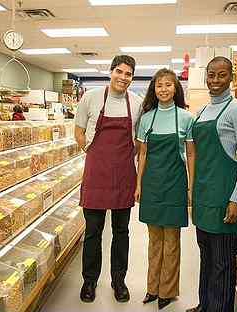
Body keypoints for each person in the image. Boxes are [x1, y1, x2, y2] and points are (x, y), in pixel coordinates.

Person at [186, 57, 237, 312]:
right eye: (211, 75)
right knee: (206, 256)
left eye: (222, 75)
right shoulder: (202, 111)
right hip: (205, 194)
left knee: (223, 262)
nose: (215, 81)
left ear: (231, 77)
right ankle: (205, 305)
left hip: (225, 195)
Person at [74, 55, 143, 303]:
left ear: (132, 78)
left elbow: (138, 141)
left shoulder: (136, 103)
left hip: (123, 175)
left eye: (128, 74)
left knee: (121, 231)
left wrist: (124, 159)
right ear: (111, 71)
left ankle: (119, 280)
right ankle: (89, 281)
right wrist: (90, 151)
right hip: (96, 174)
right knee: (93, 231)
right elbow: (79, 131)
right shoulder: (91, 98)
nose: (123, 77)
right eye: (119, 71)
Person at [135, 69, 195, 310]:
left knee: (172, 241)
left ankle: (167, 291)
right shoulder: (147, 118)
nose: (163, 89)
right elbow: (143, 153)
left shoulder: (186, 118)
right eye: (159, 85)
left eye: (168, 85)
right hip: (151, 184)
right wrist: (138, 184)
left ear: (175, 88)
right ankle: (152, 288)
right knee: (154, 241)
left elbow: (191, 153)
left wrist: (191, 186)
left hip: (175, 184)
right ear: (154, 88)